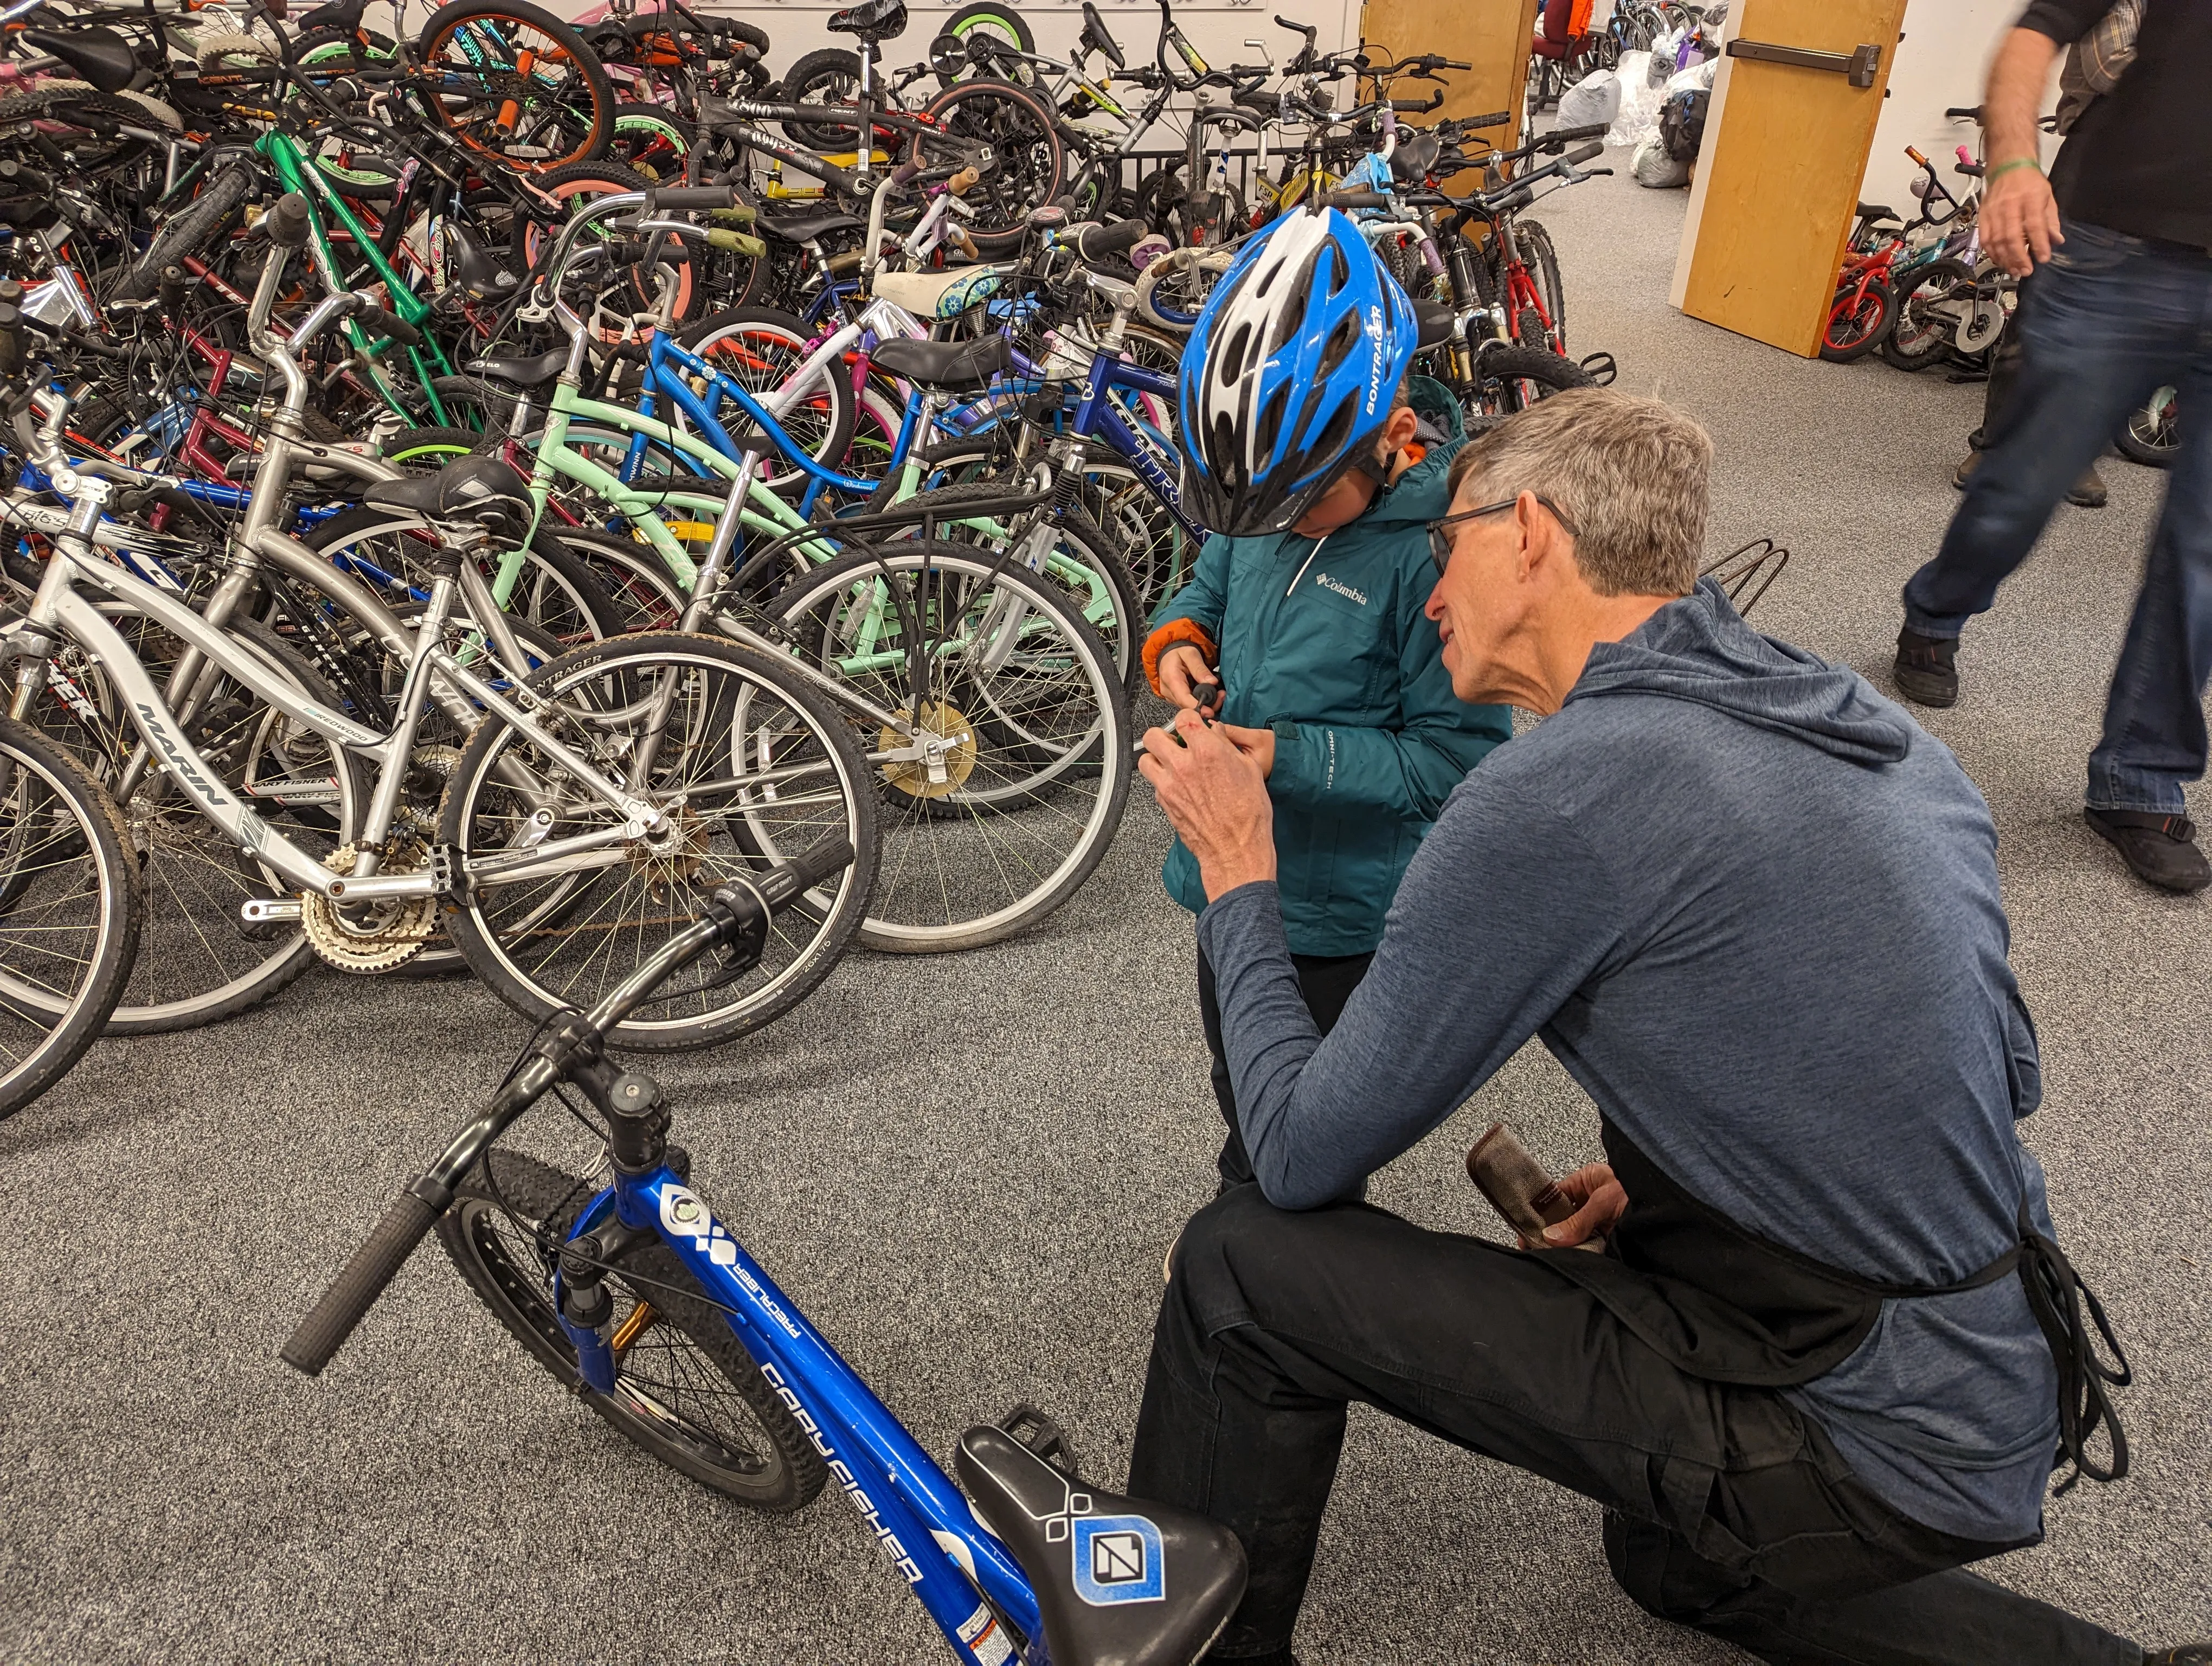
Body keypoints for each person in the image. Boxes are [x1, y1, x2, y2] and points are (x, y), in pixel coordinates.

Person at [1129, 389, 2195, 1666]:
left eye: (1440, 552)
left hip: (1856, 1413)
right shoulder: (1861, 728)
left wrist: (1244, 876)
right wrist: (1675, 1197)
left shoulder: (1559, 798)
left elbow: (1300, 1153)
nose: (1426, 600)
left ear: (1526, 531)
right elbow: (1986, 1071)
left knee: (1242, 1262)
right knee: (1671, 1558)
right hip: (1998, 1363)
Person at [1147, 206, 1510, 1188]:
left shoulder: (1435, 556)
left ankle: (1266, 1242)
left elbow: (1454, 761)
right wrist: (1181, 639)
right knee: (1237, 1067)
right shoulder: (1271, 493)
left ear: (1393, 437)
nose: (1284, 527)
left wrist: (1282, 757)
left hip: (1341, 920)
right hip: (1234, 881)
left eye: (1304, 506)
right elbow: (1213, 581)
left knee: (1306, 1124)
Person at [1895, 0, 2211, 893]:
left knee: (2205, 549)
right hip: (2115, 248)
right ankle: (1938, 611)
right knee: (2026, 486)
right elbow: (2036, 33)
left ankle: (2140, 777)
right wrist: (2013, 164)